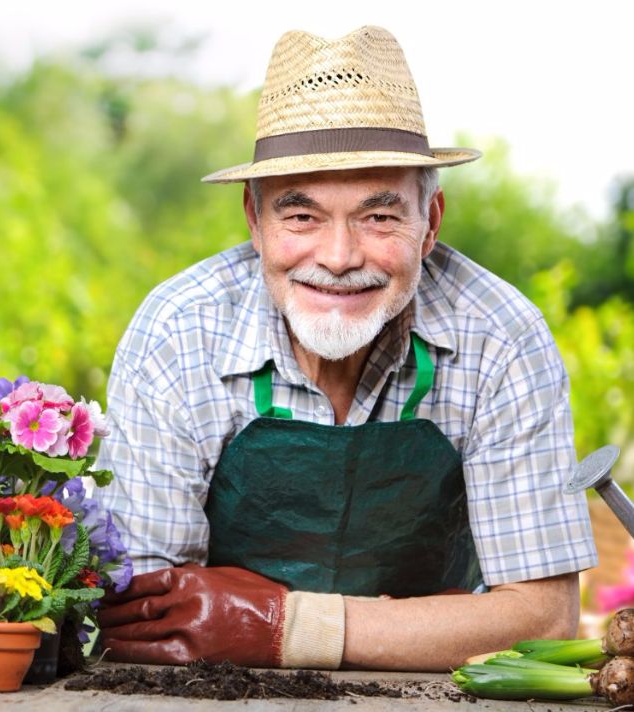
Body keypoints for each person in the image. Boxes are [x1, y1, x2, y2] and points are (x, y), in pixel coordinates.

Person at [93, 26, 598, 672]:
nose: (337, 258)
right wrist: (440, 624)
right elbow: (144, 621)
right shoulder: (177, 333)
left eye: (377, 217)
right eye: (300, 216)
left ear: (429, 223)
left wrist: (285, 625)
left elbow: (542, 620)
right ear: (253, 220)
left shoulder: (500, 338)